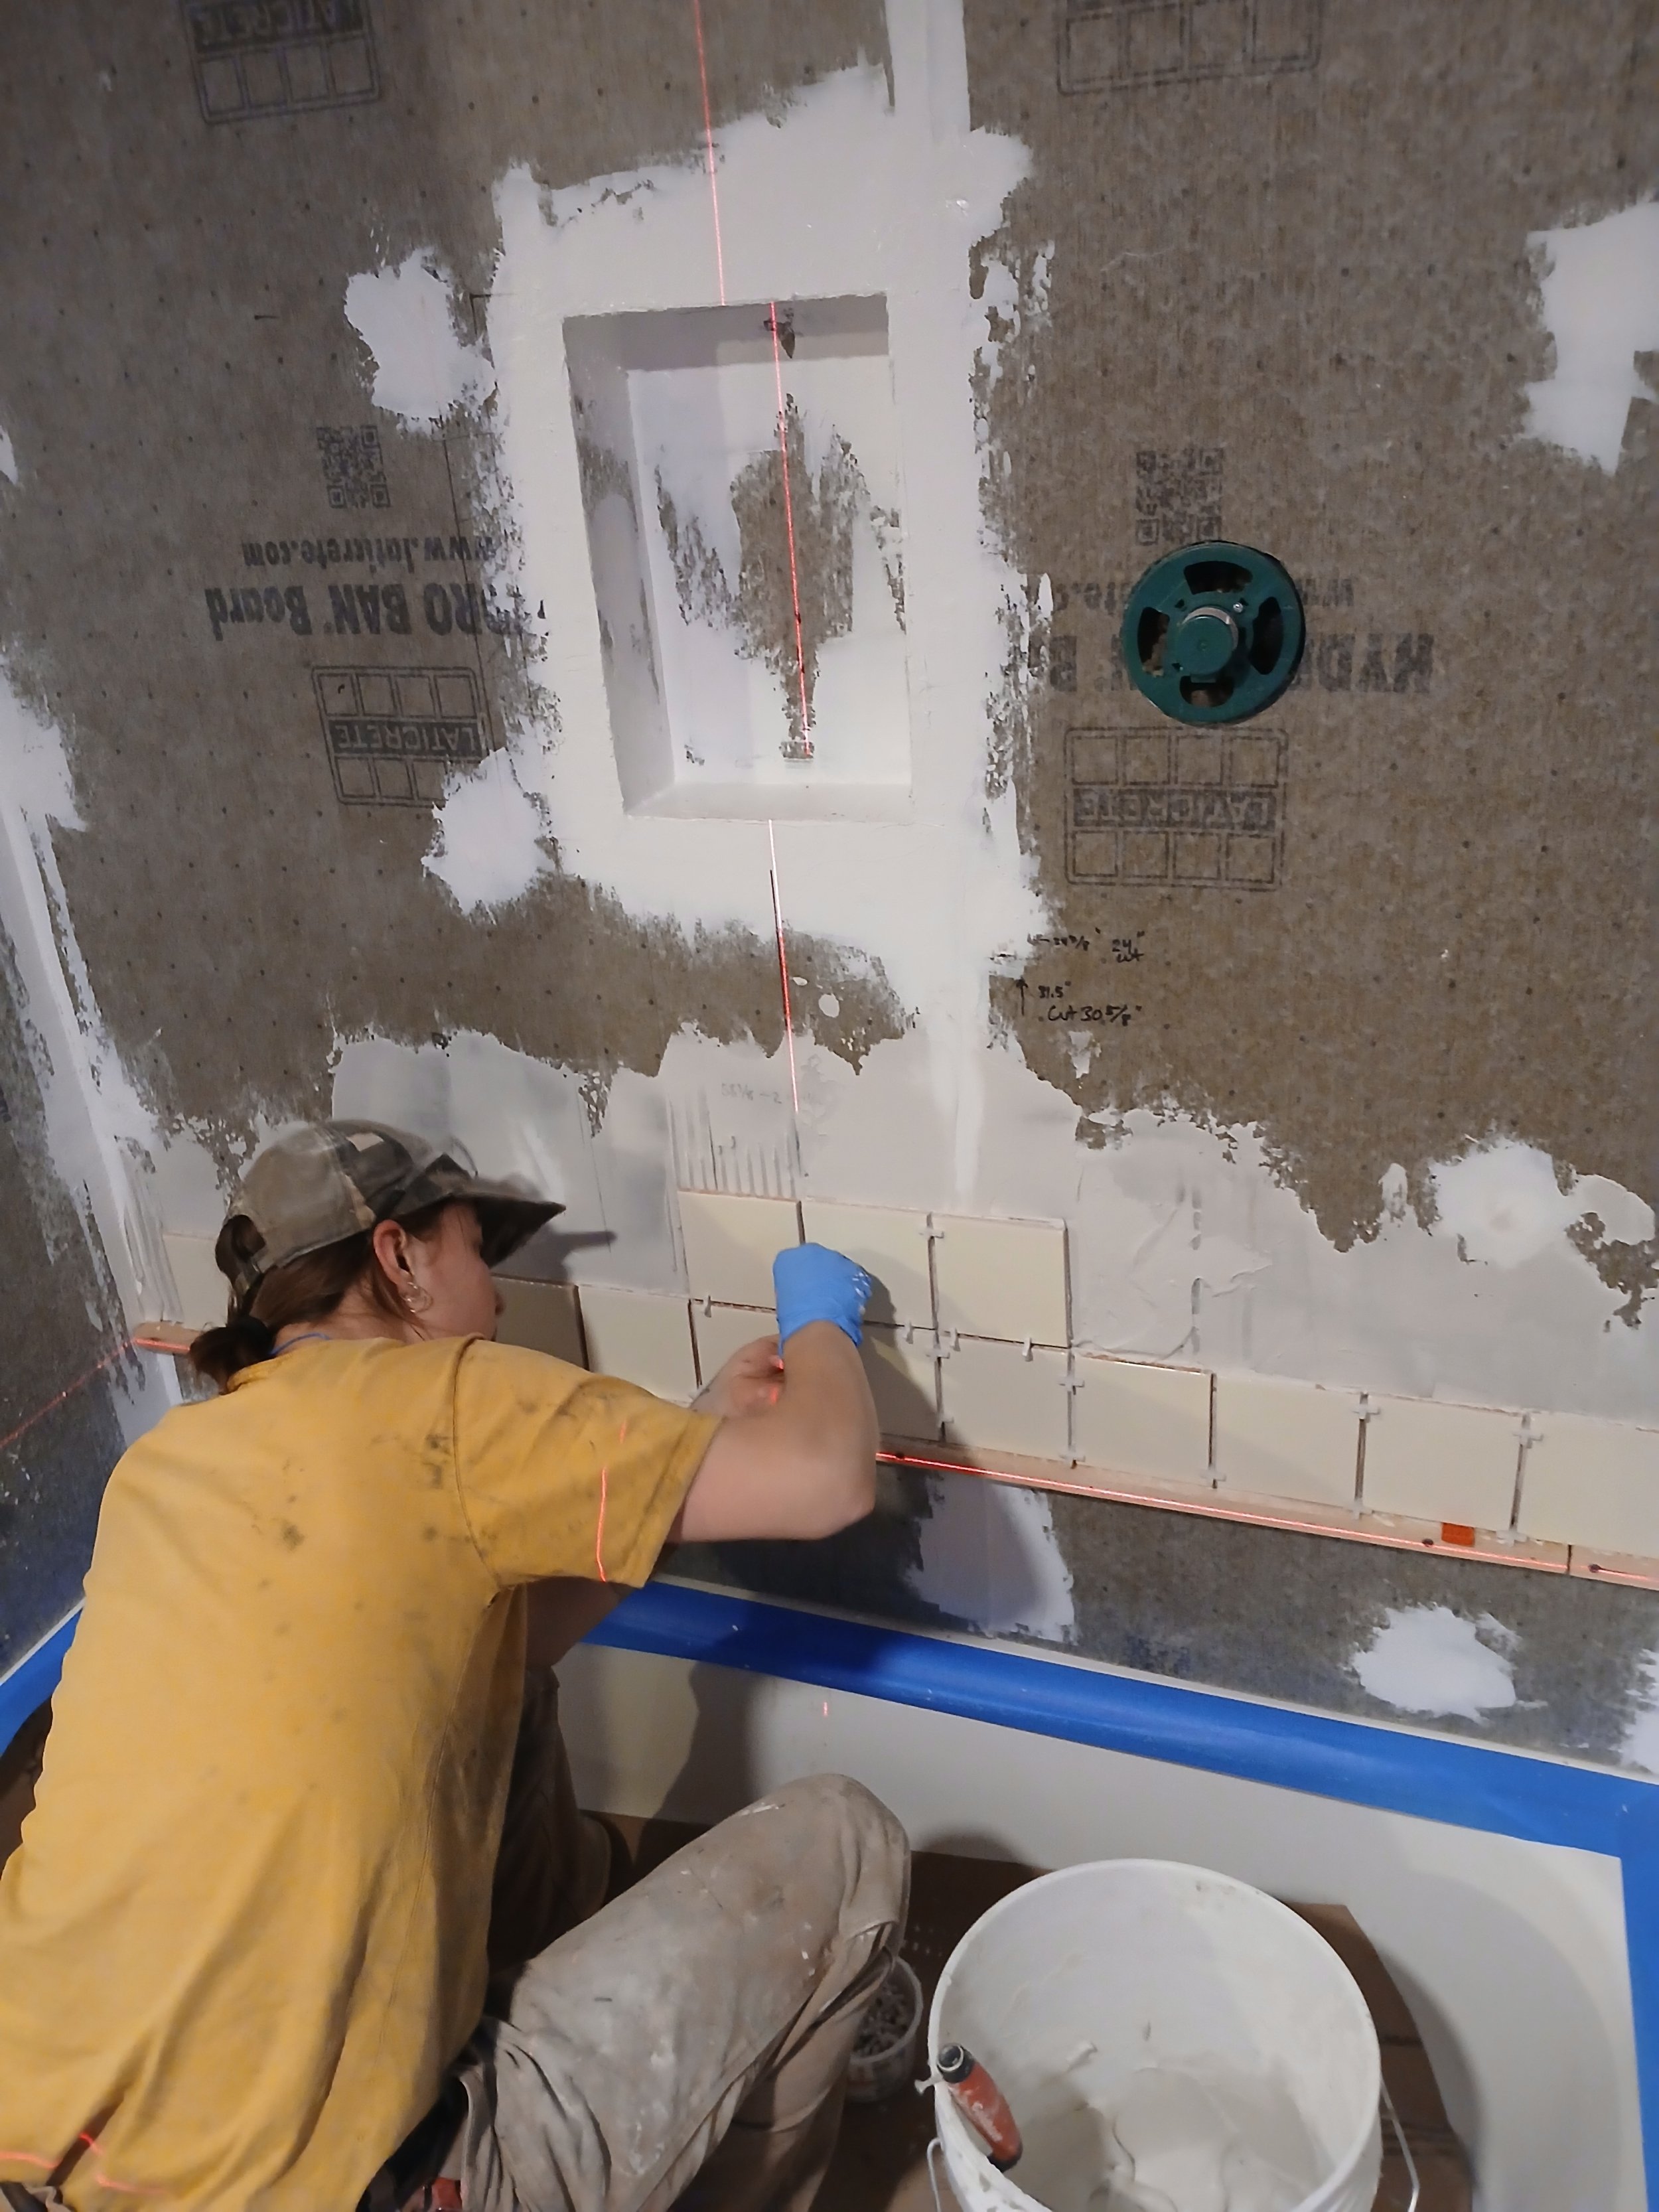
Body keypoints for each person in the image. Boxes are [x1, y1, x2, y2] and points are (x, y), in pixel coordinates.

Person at [0, 1121, 908, 2212]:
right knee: (848, 1843)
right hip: (324, 2186)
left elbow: (510, 1638)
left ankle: (556, 2002)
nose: (501, 1300)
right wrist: (819, 1312)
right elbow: (826, 1475)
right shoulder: (447, 1398)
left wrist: (697, 1429)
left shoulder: (161, 1470)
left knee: (501, 1675)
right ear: (398, 1258)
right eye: (479, 1249)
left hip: (42, 2149)